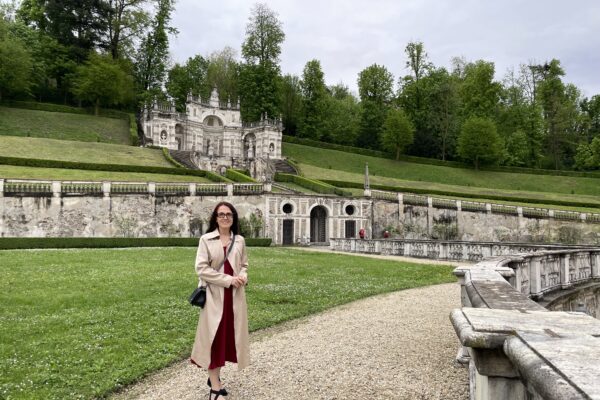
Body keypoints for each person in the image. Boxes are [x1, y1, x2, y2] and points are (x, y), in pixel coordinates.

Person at [190, 201, 249, 399]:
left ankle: (214, 378)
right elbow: (201, 269)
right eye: (221, 214)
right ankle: (215, 386)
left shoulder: (239, 240)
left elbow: (244, 265)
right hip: (214, 297)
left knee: (227, 339)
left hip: (235, 298)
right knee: (213, 340)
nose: (225, 217)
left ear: (233, 218)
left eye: (229, 214)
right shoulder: (206, 239)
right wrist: (228, 280)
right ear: (215, 218)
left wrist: (243, 276)